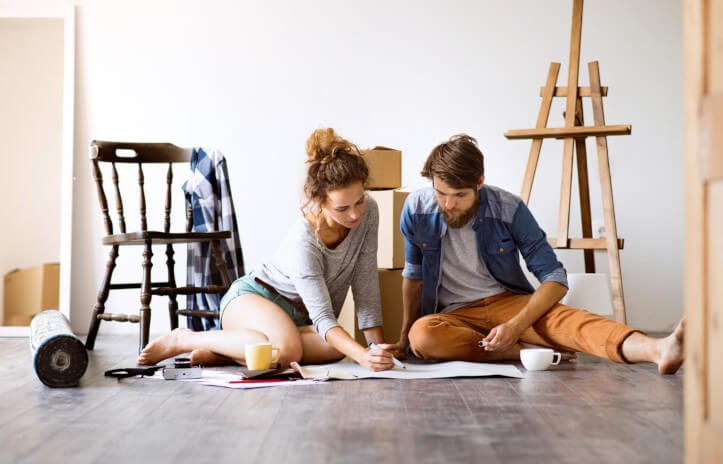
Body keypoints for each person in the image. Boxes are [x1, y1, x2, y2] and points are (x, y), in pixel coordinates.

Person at [391, 134, 684, 374]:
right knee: (423, 336)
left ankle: (657, 350)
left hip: (509, 303)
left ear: (479, 183)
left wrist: (516, 324)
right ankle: (516, 351)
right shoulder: (417, 209)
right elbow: (413, 277)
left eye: (459, 195)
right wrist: (403, 339)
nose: (448, 204)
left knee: (572, 322)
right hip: (454, 315)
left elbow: (555, 277)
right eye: (441, 193)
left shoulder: (509, 208)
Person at [138, 128, 396, 371]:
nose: (354, 214)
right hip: (254, 299)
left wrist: (377, 349)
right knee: (288, 352)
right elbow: (324, 316)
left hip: (297, 320)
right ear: (319, 201)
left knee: (334, 348)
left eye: (359, 201)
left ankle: (226, 351)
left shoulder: (369, 211)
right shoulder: (304, 241)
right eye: (342, 208)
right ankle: (186, 339)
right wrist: (362, 357)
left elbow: (365, 283)